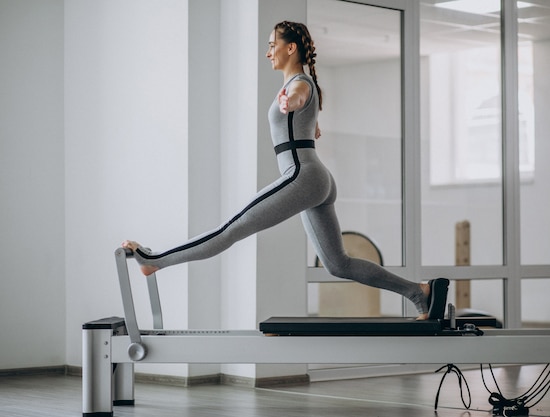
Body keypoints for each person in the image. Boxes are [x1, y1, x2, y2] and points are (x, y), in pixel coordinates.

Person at [123, 21, 448, 320]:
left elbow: (298, 96)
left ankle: (156, 261)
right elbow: (305, 109)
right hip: (314, 178)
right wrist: (300, 111)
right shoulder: (301, 84)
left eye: (272, 45)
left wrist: (290, 102)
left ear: (290, 48)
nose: (268, 53)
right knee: (338, 264)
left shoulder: (300, 84)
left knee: (230, 229)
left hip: (301, 176)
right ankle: (419, 292)